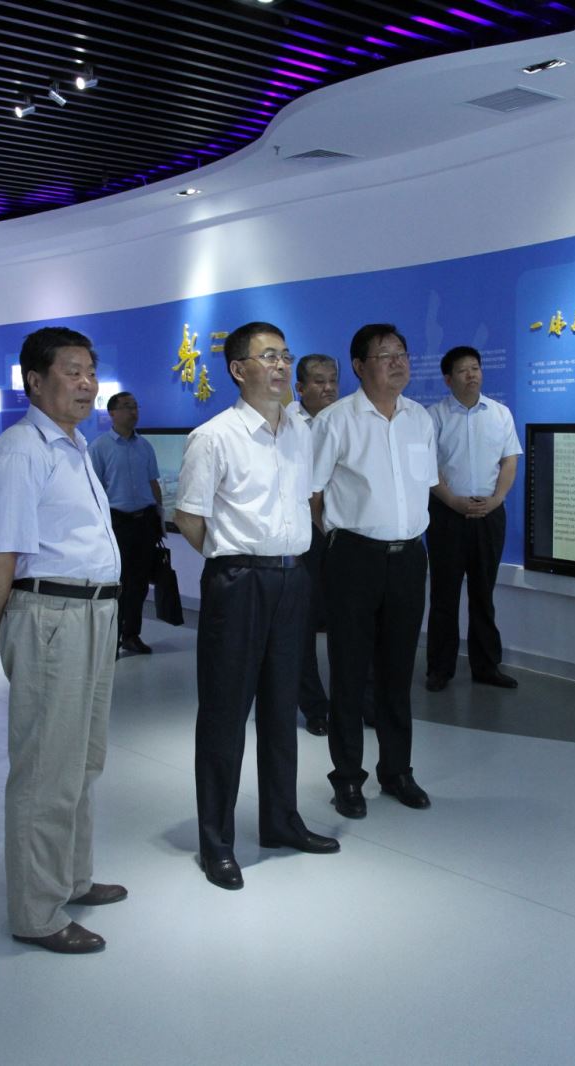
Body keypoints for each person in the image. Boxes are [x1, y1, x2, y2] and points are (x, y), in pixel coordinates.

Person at [0, 326, 126, 955]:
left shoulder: (74, 445)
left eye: (91, 371)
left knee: (81, 761)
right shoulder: (20, 451)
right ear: (34, 381)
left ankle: (72, 878)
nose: (87, 383)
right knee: (45, 769)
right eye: (72, 371)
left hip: (92, 613)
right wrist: (0, 620)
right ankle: (36, 912)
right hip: (52, 616)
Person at [176, 323, 340, 891]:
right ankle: (216, 840)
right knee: (225, 715)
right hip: (239, 580)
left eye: (285, 356)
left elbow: (308, 500)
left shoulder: (299, 431)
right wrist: (234, 559)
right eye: (268, 357)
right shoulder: (214, 437)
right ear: (238, 369)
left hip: (293, 578)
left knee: (281, 708)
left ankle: (281, 819)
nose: (281, 366)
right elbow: (189, 518)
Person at [310, 324, 439, 818]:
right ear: (359, 366)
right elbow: (312, 494)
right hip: (354, 558)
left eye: (402, 353)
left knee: (398, 671)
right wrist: (336, 540)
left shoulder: (419, 418)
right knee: (349, 671)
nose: (398, 362)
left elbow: (423, 484)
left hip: (409, 558)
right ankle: (347, 778)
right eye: (385, 355)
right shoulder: (336, 421)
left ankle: (397, 771)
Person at [426, 346, 522, 691]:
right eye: (463, 370)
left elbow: (509, 461)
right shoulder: (433, 416)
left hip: (488, 514)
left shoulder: (500, 413)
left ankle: (486, 666)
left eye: (476, 368)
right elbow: (428, 467)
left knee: (483, 593)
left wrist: (496, 500)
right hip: (446, 514)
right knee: (444, 595)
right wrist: (452, 500)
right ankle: (440, 669)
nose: (472, 375)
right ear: (448, 379)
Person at [285, 354, 339, 736]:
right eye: (319, 381)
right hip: (304, 535)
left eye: (333, 380)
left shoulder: (348, 418)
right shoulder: (286, 424)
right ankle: (314, 706)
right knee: (302, 627)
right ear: (300, 388)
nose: (329, 388)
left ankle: (358, 700)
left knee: (349, 621)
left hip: (344, 532)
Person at [88, 391, 161, 656]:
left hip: (144, 522)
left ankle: (132, 635)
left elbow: (153, 483)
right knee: (116, 584)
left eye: (135, 406)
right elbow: (93, 490)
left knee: (139, 584)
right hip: (116, 524)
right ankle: (111, 639)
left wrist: (160, 518)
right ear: (112, 413)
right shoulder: (99, 448)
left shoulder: (145, 447)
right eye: (127, 407)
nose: (133, 412)